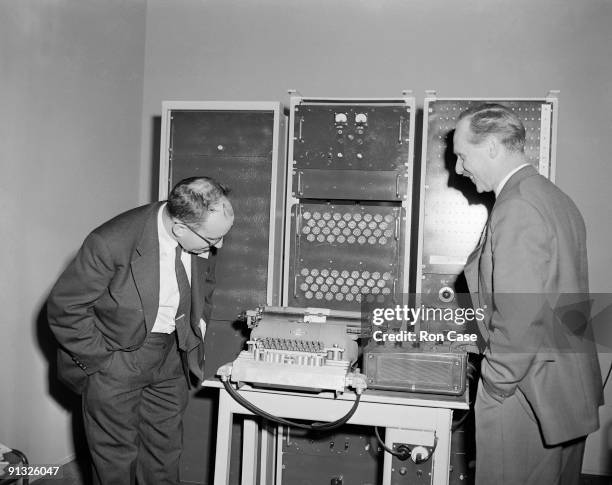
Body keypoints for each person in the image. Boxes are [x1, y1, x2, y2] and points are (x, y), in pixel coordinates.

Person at [47, 176, 234, 485]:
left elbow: (206, 286)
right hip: (116, 357)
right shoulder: (111, 241)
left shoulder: (200, 231)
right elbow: (65, 307)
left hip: (172, 355)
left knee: (164, 455)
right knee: (115, 462)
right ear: (180, 229)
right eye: (213, 241)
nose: (219, 246)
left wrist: (195, 329)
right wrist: (102, 363)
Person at [454, 104, 602, 485]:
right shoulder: (555, 199)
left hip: (525, 392)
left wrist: (494, 382)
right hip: (565, 391)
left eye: (462, 155)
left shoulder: (517, 206)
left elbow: (519, 316)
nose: (458, 168)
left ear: (490, 146)